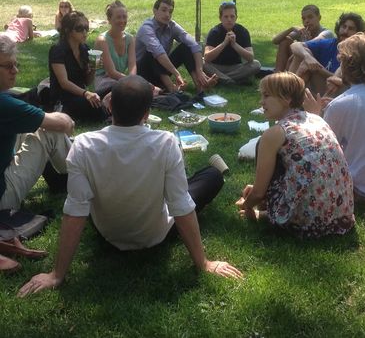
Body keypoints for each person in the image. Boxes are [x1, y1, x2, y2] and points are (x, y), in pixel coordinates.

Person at [18, 75, 242, 296]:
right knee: (212, 176)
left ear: (110, 105)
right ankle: (208, 174)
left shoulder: (84, 145)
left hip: (107, 232)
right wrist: (203, 262)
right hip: (155, 234)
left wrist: (57, 274)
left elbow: (76, 210)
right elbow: (180, 205)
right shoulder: (166, 143)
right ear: (147, 113)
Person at [235, 72, 354, 238]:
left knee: (265, 148)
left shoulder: (275, 133)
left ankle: (271, 214)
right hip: (342, 216)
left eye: (267, 95)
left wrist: (247, 206)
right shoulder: (317, 119)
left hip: (307, 223)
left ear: (287, 99)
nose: (261, 102)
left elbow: (259, 193)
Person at [0, 34, 74, 271]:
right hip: (2, 197)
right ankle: (81, 174)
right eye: (8, 66)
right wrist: (63, 121)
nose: (16, 71)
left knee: (32, 128)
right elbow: (61, 124)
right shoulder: (5, 106)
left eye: (16, 64)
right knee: (49, 133)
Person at [303, 33, 365, 204]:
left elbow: (319, 151)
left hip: (356, 188)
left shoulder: (341, 105)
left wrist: (314, 117)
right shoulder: (343, 103)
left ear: (346, 65)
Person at [135, 0, 217, 94]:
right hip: (143, 72)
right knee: (152, 52)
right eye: (164, 10)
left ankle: (200, 84)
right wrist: (176, 73)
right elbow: (158, 52)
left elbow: (194, 44)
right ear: (155, 11)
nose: (167, 14)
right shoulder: (146, 28)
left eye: (170, 12)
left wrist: (199, 70)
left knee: (185, 47)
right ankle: (171, 88)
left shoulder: (172, 25)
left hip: (161, 70)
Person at [289, 12, 365, 95]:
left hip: (346, 92)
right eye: (344, 27)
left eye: (351, 29)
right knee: (302, 55)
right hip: (322, 87)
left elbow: (346, 81)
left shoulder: (358, 51)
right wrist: (307, 57)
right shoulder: (329, 44)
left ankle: (291, 95)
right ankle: (290, 92)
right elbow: (295, 45)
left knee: (333, 81)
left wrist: (319, 69)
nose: (345, 31)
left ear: (358, 33)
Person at [49, 11, 104, 121]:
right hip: (62, 97)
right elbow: (64, 83)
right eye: (79, 28)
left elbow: (87, 82)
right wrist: (86, 93)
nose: (84, 32)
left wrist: (93, 69)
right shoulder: (58, 50)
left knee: (108, 96)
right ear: (68, 30)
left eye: (86, 28)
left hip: (80, 94)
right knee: (95, 107)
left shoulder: (85, 49)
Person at [203, 1, 261, 85]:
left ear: (236, 17)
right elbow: (207, 57)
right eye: (226, 17)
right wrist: (224, 43)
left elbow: (250, 57)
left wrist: (234, 44)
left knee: (256, 64)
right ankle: (232, 81)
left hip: (236, 68)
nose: (229, 19)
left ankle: (222, 79)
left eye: (232, 16)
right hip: (217, 67)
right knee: (201, 62)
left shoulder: (242, 31)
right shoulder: (214, 32)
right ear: (220, 18)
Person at [272, 4, 334, 72]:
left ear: (319, 18)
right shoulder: (303, 32)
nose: (306, 21)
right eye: (303, 18)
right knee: (285, 41)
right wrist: (291, 29)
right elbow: (275, 41)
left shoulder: (327, 33)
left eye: (310, 17)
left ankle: (288, 77)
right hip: (301, 63)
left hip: (317, 66)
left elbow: (316, 42)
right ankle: (278, 75)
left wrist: (304, 41)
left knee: (302, 50)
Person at [94, 0, 137, 97]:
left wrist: (133, 79)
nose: (122, 20)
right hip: (104, 80)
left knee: (140, 88)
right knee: (129, 91)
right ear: (109, 19)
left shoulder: (130, 39)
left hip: (121, 79)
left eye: (124, 17)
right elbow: (111, 72)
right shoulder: (102, 40)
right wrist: (131, 82)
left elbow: (132, 65)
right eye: (118, 17)